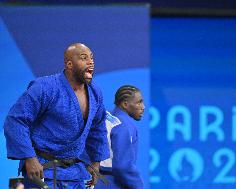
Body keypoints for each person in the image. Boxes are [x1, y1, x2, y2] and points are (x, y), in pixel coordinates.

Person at [4, 43, 110, 189]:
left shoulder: (95, 92)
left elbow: (98, 127)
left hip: (75, 173)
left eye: (91, 58)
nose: (91, 62)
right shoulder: (45, 87)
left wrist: (96, 162)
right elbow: (16, 120)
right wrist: (29, 158)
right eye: (84, 58)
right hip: (43, 170)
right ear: (69, 64)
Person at [95, 85, 145, 189]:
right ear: (125, 104)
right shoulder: (124, 126)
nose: (143, 107)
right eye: (139, 102)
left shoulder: (104, 117)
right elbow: (123, 167)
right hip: (112, 183)